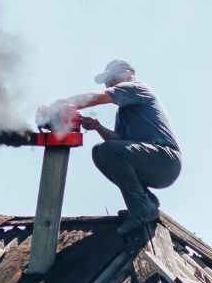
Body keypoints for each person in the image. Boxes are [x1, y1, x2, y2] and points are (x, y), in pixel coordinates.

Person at [63, 59, 182, 238]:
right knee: (101, 152)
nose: (108, 83)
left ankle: (141, 208)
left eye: (111, 78)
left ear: (127, 73)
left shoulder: (136, 87)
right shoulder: (125, 111)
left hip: (165, 159)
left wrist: (63, 104)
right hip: (155, 161)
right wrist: (97, 127)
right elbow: (120, 141)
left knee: (107, 151)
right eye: (106, 81)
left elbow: (98, 98)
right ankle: (145, 202)